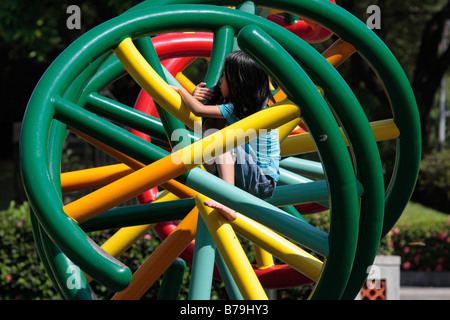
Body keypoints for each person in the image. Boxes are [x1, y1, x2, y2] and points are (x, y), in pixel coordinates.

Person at [171, 50, 280, 221]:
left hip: (261, 180)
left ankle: (227, 201)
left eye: (224, 76)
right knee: (209, 137)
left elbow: (198, 110)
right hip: (254, 179)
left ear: (239, 83)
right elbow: (201, 125)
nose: (220, 81)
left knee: (219, 141)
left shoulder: (244, 108)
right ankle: (221, 191)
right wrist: (196, 96)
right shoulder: (246, 105)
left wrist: (182, 91)